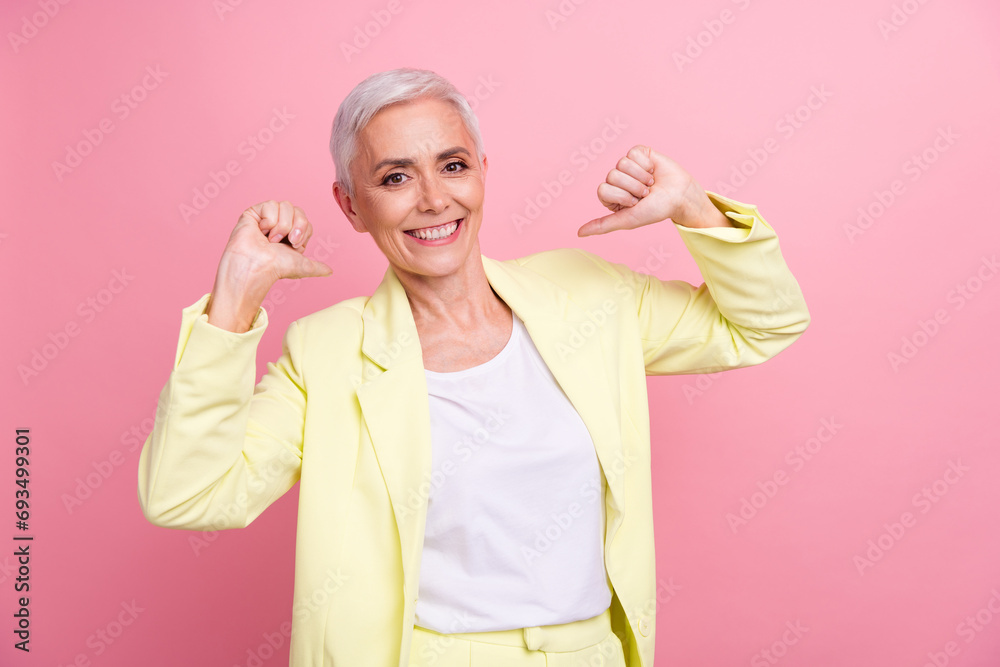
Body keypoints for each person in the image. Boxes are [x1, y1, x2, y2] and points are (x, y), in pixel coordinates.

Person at [137, 67, 810, 667]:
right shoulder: (327, 353)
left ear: (483, 170)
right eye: (395, 177)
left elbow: (763, 323)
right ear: (351, 204)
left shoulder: (590, 296)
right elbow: (187, 493)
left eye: (452, 165)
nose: (433, 199)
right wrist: (232, 301)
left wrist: (693, 208)